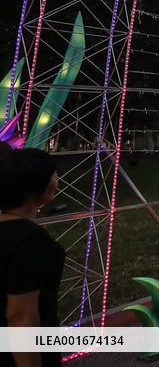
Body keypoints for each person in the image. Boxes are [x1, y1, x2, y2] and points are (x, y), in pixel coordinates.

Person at [1, 148, 64, 367]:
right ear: (36, 188)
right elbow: (20, 315)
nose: (57, 179)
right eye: (53, 175)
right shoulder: (31, 242)